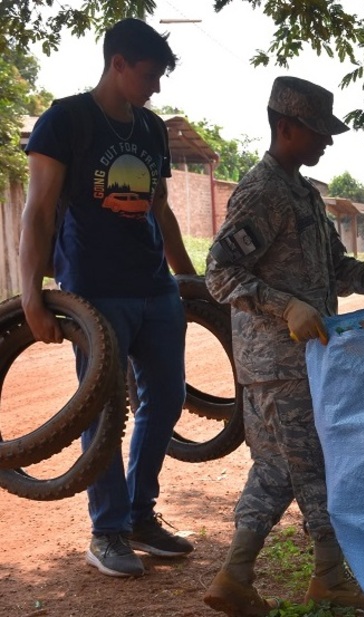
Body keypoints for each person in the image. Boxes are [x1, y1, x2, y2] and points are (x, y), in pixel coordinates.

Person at [202, 75, 364, 616]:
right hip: (278, 363)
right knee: (317, 465)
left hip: (304, 361)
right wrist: (286, 307)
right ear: (285, 127)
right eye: (317, 131)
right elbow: (219, 272)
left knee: (277, 469)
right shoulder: (261, 191)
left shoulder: (303, 192)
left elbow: (335, 267)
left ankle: (234, 577)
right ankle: (329, 576)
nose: (327, 141)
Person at [20, 18, 196, 577]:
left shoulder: (150, 128)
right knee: (103, 411)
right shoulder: (65, 121)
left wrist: (191, 283)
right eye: (150, 74)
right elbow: (39, 212)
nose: (157, 88)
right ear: (118, 63)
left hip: (154, 287)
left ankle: (141, 517)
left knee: (164, 400)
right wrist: (31, 296)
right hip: (94, 291)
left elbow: (161, 208)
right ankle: (108, 530)